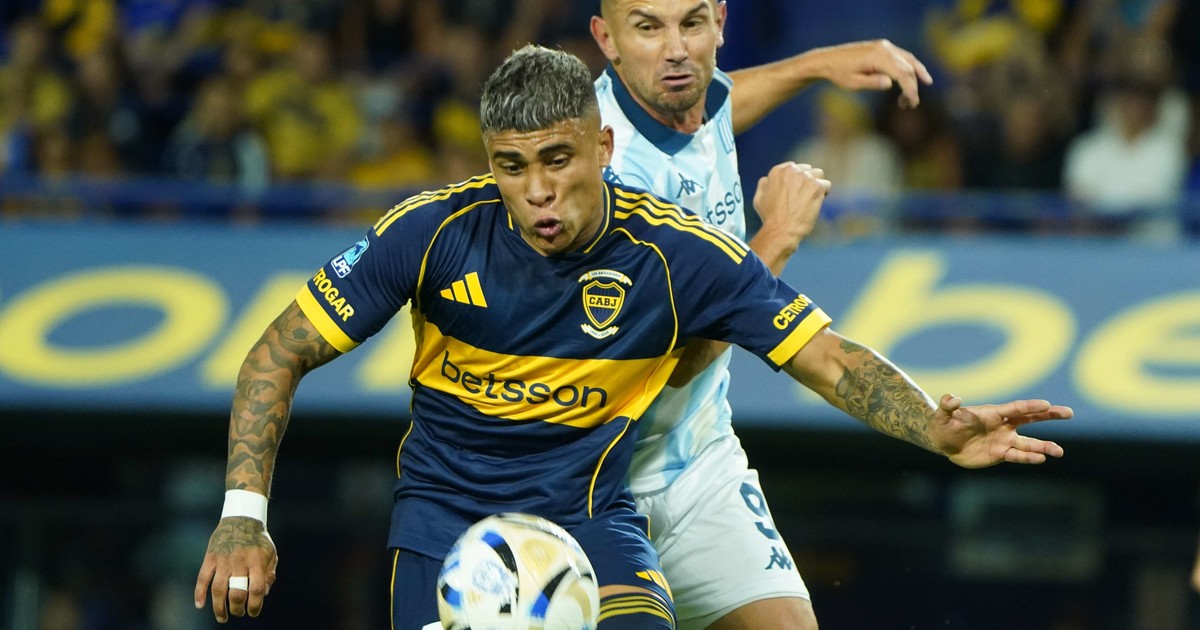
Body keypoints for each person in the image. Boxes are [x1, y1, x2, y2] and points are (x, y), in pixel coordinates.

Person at [194, 45, 1071, 628]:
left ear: (604, 147)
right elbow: (278, 351)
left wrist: (935, 428)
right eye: (511, 166)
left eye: (557, 160)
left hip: (591, 522)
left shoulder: (673, 255)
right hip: (448, 532)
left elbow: (830, 359)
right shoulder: (430, 234)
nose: (537, 191)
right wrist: (242, 517)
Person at [589, 1, 934, 627]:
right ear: (606, 39)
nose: (676, 48)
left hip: (698, 461)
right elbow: (662, 372)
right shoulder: (602, 175)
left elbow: (716, 107)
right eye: (648, 27)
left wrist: (818, 64)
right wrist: (776, 236)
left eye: (692, 22)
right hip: (594, 483)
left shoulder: (681, 97)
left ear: (721, 21)